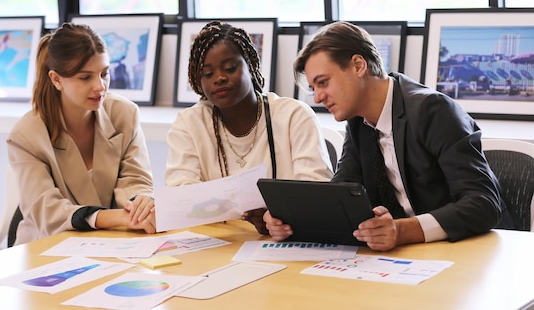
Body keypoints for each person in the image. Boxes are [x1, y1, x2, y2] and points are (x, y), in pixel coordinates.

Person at [264, 21, 513, 251]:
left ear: (358, 65)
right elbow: (342, 194)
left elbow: (484, 204)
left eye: (323, 83)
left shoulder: (432, 110)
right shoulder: (358, 120)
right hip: (411, 259)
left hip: (471, 252)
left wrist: (404, 230)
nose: (317, 97)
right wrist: (288, 221)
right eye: (313, 88)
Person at [164, 20, 333, 234]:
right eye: (208, 74)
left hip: (287, 241)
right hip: (218, 244)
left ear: (251, 66)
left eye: (230, 68)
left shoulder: (294, 116)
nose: (219, 78)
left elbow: (315, 194)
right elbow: (180, 197)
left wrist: (276, 216)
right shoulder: (189, 124)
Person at [7, 22, 156, 245]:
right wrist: (116, 217)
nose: (100, 86)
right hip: (48, 246)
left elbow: (136, 180)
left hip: (114, 241)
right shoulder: (26, 136)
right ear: (56, 79)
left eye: (104, 74)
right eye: (85, 78)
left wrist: (139, 207)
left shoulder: (125, 114)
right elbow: (48, 211)